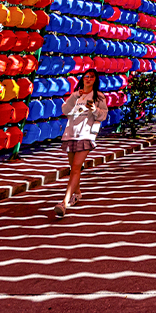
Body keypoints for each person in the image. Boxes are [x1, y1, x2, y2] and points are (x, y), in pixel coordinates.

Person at [55, 69, 108, 216]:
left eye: (91, 77)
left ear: (95, 80)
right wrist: (74, 97)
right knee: (73, 168)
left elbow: (103, 115)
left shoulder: (99, 97)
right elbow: (65, 110)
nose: (88, 79)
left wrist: (95, 109)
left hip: (86, 134)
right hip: (71, 133)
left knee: (76, 168)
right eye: (86, 77)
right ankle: (77, 194)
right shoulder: (76, 95)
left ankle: (64, 202)